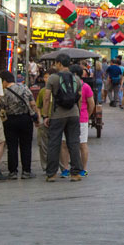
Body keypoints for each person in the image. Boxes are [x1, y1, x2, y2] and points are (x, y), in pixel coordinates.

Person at [41, 53, 83, 182]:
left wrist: (45, 115)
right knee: (74, 143)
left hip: (57, 114)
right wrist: (78, 112)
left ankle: (51, 174)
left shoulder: (53, 78)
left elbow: (47, 98)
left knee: (54, 143)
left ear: (59, 63)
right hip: (74, 114)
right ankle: (75, 173)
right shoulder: (76, 79)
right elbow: (79, 97)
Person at [0, 70, 39, 179]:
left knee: (12, 147)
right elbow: (33, 104)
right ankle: (26, 171)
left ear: (5, 81)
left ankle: (13, 172)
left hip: (10, 121)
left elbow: (1, 108)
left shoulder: (4, 92)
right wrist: (36, 118)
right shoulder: (24, 88)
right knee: (26, 145)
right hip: (25, 119)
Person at [35, 69, 52, 170]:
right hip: (44, 119)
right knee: (43, 145)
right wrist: (39, 117)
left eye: (48, 77)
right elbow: (38, 106)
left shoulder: (58, 90)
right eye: (45, 77)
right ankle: (45, 166)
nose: (47, 79)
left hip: (56, 119)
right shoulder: (42, 91)